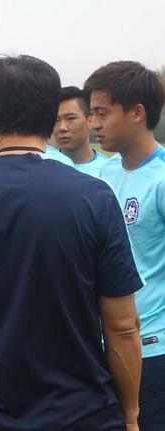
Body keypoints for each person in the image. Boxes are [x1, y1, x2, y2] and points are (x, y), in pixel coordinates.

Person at [0, 55, 143, 431]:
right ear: (49, 114)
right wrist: (130, 415)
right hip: (83, 414)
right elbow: (123, 325)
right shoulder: (95, 198)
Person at [86, 60, 165, 431]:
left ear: (137, 113)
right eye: (92, 113)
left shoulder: (162, 178)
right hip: (105, 344)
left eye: (101, 112)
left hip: (154, 349)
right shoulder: (104, 175)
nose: (93, 123)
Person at [55, 86, 108, 176]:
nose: (62, 127)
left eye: (70, 118)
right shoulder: (44, 167)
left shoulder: (107, 170)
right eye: (56, 120)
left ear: (90, 121)